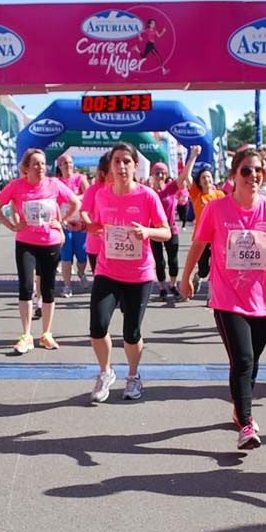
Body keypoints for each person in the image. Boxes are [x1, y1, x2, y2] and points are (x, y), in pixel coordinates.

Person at [179, 147, 266, 448]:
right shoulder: (216, 210)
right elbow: (198, 244)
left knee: (251, 362)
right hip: (227, 297)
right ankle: (246, 422)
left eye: (259, 171)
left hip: (263, 297)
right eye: (246, 170)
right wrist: (187, 275)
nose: (253, 176)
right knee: (242, 359)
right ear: (232, 176)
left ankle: (239, 407)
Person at [84, 141, 171, 402]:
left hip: (139, 273)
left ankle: (133, 376)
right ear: (110, 167)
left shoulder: (147, 196)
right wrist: (82, 226)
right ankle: (105, 372)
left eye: (126, 161)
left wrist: (147, 232)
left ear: (135, 165)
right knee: (98, 327)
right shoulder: (102, 195)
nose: (121, 166)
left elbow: (165, 231)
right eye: (117, 161)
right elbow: (99, 226)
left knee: (131, 332)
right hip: (107, 269)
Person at [0, 147, 79, 354]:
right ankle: (26, 335)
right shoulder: (16, 186)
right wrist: (12, 226)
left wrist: (62, 222)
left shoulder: (54, 184)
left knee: (47, 288)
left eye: (43, 163)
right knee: (27, 286)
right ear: (26, 168)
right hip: (26, 242)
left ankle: (46, 333)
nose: (40, 167)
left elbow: (75, 202)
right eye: (35, 164)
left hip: (50, 241)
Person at [178, 145, 224, 296]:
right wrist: (193, 156)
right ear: (200, 181)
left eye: (208, 177)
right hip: (201, 238)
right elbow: (186, 176)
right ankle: (198, 276)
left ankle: (212, 297)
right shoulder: (197, 195)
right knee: (204, 270)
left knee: (217, 267)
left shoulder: (220, 195)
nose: (206, 180)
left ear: (212, 180)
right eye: (203, 178)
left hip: (218, 237)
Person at [55, 153, 90, 297]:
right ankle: (67, 286)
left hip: (80, 223)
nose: (68, 166)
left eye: (70, 163)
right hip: (64, 223)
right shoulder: (56, 182)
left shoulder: (80, 179)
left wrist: (73, 198)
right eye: (65, 163)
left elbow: (89, 194)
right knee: (66, 256)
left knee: (82, 256)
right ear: (60, 166)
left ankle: (81, 273)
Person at [148, 161, 183, 302]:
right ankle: (162, 288)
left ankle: (173, 285)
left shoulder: (170, 189)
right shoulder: (148, 192)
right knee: (159, 261)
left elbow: (184, 176)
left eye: (163, 173)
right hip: (154, 230)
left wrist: (192, 156)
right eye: (157, 173)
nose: (160, 175)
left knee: (173, 260)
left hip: (171, 229)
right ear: (152, 175)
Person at [82, 152, 111, 274]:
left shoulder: (123, 190)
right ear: (103, 172)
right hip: (96, 244)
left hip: (118, 246)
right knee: (101, 284)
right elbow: (83, 211)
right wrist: (90, 226)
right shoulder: (93, 190)